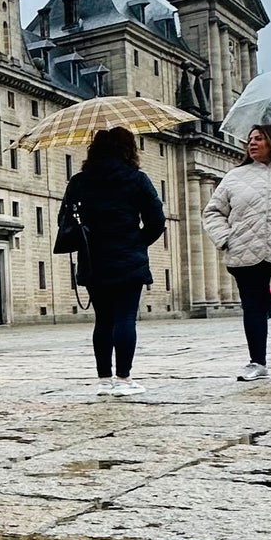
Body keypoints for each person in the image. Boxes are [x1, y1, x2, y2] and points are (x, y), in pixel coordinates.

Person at [56, 126, 165, 395]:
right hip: (128, 257)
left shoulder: (79, 181)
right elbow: (157, 221)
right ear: (128, 150)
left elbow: (64, 220)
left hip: (93, 259)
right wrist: (138, 242)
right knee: (125, 317)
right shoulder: (137, 179)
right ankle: (124, 380)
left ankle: (104, 380)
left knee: (103, 319)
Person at [204, 121, 271, 381]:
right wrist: (225, 238)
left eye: (259, 138)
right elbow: (212, 212)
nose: (252, 143)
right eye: (250, 139)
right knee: (253, 307)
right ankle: (257, 362)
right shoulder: (235, 176)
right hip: (245, 250)